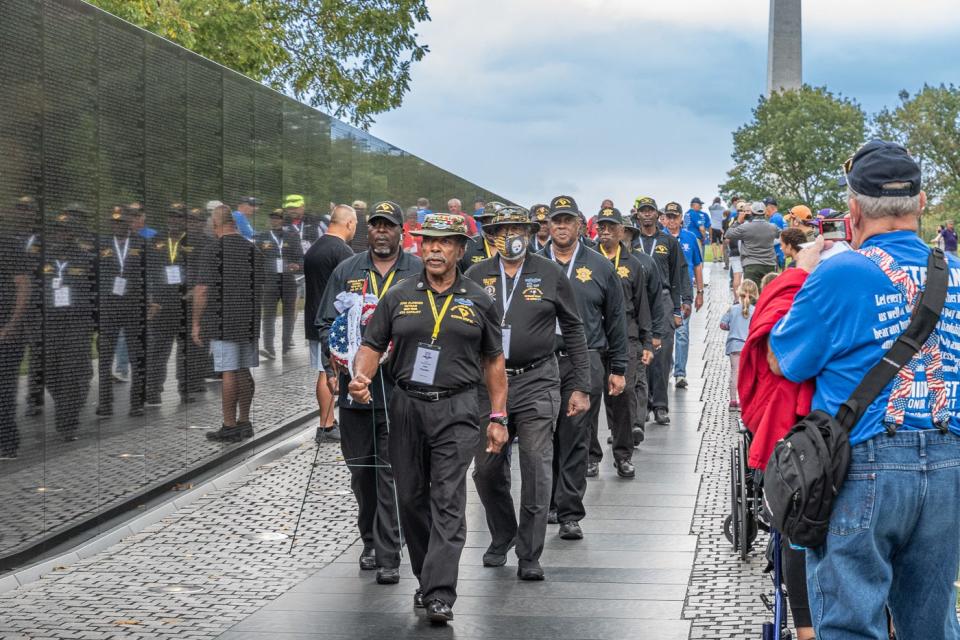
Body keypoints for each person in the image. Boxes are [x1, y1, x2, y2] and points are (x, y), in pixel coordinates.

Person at [767, 140, 960, 639]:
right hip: (949, 464)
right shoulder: (956, 273)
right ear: (920, 204)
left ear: (853, 209)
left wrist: (797, 273)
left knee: (851, 623)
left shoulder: (840, 272)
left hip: (865, 462)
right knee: (933, 624)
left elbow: (782, 360)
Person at [349, 213, 507, 625]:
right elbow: (371, 343)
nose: (434, 249)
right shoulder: (400, 295)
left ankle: (440, 593)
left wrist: (497, 415)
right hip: (405, 406)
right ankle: (425, 577)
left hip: (457, 410)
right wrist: (360, 376)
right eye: (428, 242)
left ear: (460, 249)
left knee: (448, 500)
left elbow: (493, 361)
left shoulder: (480, 300)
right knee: (410, 499)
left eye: (444, 243)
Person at [466, 206, 589, 580]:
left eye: (517, 227)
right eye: (502, 229)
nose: (510, 235)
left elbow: (573, 328)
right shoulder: (475, 275)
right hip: (488, 386)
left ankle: (529, 552)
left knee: (535, 465)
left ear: (531, 231)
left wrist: (580, 385)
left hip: (538, 380)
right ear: (492, 235)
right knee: (487, 469)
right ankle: (503, 532)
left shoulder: (549, 273)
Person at [318, 201, 412, 584]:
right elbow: (325, 323)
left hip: (401, 392)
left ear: (400, 231)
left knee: (393, 470)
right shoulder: (347, 270)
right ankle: (370, 536)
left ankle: (388, 548)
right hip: (355, 394)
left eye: (388, 225)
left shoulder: (418, 272)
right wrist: (336, 356)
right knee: (362, 473)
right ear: (366, 231)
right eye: (375, 225)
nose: (381, 231)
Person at [539, 195, 627, 535]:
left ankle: (569, 512)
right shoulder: (532, 265)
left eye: (567, 220)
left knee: (575, 436)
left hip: (585, 359)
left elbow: (616, 319)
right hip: (539, 360)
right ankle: (544, 503)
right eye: (556, 221)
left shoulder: (600, 267)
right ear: (548, 226)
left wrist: (617, 367)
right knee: (541, 435)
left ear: (579, 225)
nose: (561, 226)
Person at [192, 203, 264, 442]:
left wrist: (196, 322)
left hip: (223, 321)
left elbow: (202, 291)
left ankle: (229, 425)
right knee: (244, 370)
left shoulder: (212, 250)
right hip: (249, 320)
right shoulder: (253, 250)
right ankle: (244, 420)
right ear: (234, 224)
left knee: (228, 372)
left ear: (215, 225)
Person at [594, 206, 656, 477]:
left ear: (622, 231)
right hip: (595, 337)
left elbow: (643, 304)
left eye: (611, 226)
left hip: (626, 336)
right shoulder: (588, 260)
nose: (605, 230)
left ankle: (623, 455)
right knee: (591, 396)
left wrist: (647, 342)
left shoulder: (633, 264)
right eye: (602, 226)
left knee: (623, 395)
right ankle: (590, 456)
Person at [305, 204, 357, 442]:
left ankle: (327, 422)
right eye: (355, 224)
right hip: (332, 325)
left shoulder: (315, 248)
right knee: (327, 373)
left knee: (322, 370)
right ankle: (326, 425)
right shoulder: (343, 252)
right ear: (348, 223)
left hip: (314, 319)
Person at [633, 197, 686, 425]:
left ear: (658, 215)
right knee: (638, 354)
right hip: (637, 300)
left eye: (650, 211)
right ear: (638, 215)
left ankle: (661, 406)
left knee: (662, 355)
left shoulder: (668, 241)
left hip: (663, 300)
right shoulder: (630, 241)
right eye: (643, 211)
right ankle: (641, 406)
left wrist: (678, 308)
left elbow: (677, 275)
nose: (647, 214)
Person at [145, 203, 199, 406]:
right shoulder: (155, 240)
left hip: (186, 303)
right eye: (171, 216)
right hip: (162, 303)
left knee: (186, 350)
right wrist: (150, 298)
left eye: (178, 217)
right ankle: (154, 390)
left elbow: (201, 268)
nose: (174, 220)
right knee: (158, 349)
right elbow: (148, 270)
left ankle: (185, 389)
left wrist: (195, 288)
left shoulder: (194, 241)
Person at [96, 205, 147, 417]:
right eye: (114, 222)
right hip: (109, 307)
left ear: (129, 222)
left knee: (137, 356)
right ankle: (105, 403)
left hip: (134, 307)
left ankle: (137, 403)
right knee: (105, 358)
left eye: (122, 222)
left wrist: (149, 300)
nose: (118, 226)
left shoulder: (142, 243)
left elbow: (148, 274)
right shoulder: (101, 244)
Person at [0, 199, 38, 458]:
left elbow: (23, 288)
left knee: (4, 386)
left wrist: (10, 325)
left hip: (6, 329)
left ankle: (7, 441)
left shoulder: (10, 245)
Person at [662, 201, 703, 390]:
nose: (671, 221)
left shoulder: (689, 237)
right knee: (664, 333)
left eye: (674, 217)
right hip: (664, 291)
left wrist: (700, 292)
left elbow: (697, 265)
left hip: (683, 290)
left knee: (682, 332)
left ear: (680, 218)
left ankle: (680, 372)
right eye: (668, 217)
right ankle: (667, 367)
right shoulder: (659, 238)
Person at [256, 209, 304, 357]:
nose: (275, 221)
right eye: (273, 218)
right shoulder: (263, 237)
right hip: (270, 281)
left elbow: (301, 257)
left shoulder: (292, 237)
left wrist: (297, 265)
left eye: (278, 218)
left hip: (288, 280)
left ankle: (285, 343)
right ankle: (269, 347)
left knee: (289, 313)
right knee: (269, 314)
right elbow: (256, 258)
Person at [720, 279, 757, 410]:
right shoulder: (755, 311)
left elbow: (722, 325)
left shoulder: (732, 309)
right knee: (746, 374)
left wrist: (731, 327)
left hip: (734, 346)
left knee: (734, 372)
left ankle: (733, 401)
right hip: (748, 347)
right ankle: (744, 400)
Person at [724, 201, 779, 288]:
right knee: (768, 293)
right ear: (764, 213)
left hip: (751, 264)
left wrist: (738, 222)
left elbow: (728, 234)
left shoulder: (745, 227)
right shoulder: (773, 227)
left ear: (752, 213)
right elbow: (783, 235)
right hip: (769, 264)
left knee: (752, 295)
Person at [459, 202, 502, 270]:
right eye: (487, 222)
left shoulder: (516, 247)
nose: (492, 228)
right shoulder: (467, 246)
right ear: (482, 223)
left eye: (498, 223)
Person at [764, 197, 787, 268]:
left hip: (779, 253)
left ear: (769, 207)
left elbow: (779, 237)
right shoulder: (778, 216)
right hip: (781, 251)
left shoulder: (775, 218)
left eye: (764, 207)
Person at [708, 197, 726, 261]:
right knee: (721, 243)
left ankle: (715, 258)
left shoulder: (710, 208)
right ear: (720, 202)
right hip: (720, 228)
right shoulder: (723, 209)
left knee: (713, 242)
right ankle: (720, 257)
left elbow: (710, 207)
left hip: (713, 227)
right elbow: (724, 218)